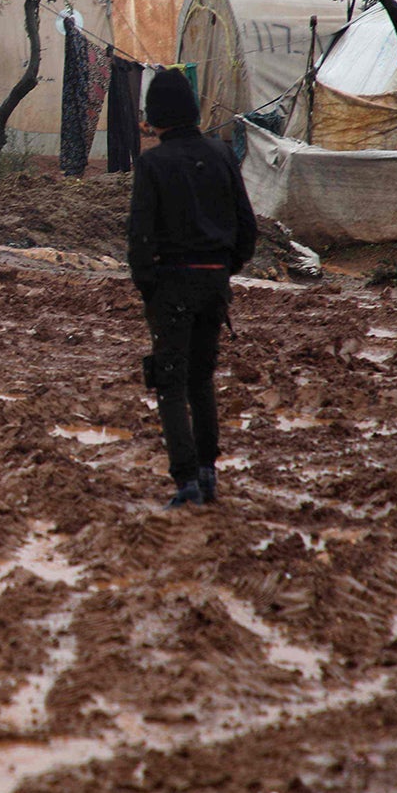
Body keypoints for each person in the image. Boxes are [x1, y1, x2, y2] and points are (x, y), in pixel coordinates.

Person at [127, 67, 257, 508]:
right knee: (201, 380)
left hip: (172, 285)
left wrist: (148, 286)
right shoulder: (221, 154)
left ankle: (184, 482)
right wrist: (226, 268)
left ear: (156, 115)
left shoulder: (151, 164)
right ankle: (207, 474)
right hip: (214, 281)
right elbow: (246, 225)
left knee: (170, 382)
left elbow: (140, 236)